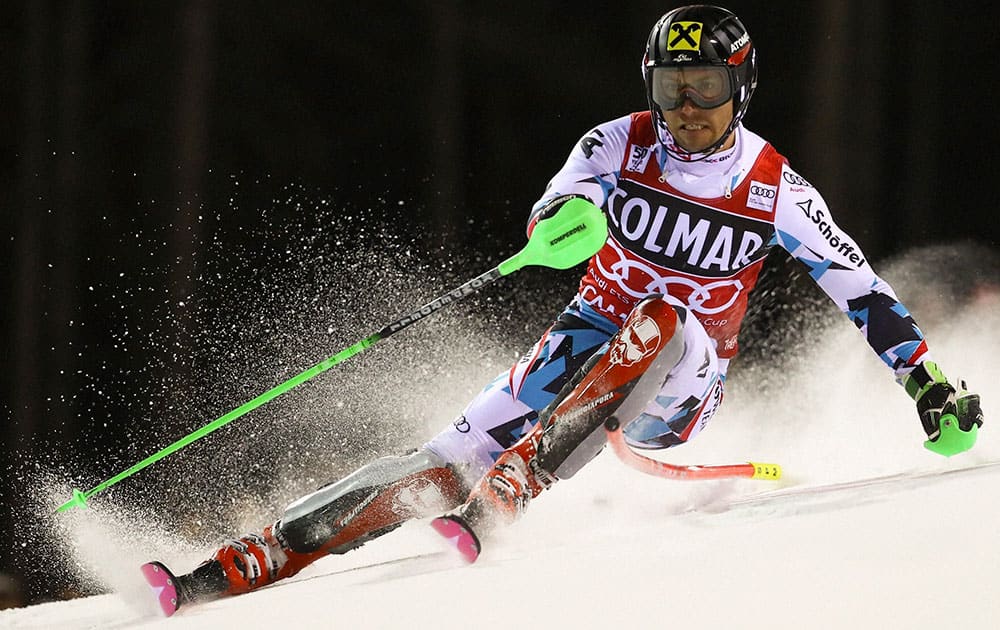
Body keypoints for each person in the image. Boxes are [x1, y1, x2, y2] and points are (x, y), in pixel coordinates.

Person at [148, 4, 984, 609]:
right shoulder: (614, 143)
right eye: (670, 87)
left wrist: (927, 384)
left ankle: (522, 478)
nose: (685, 110)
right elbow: (558, 204)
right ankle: (257, 554)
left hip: (679, 381)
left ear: (743, 88)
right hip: (575, 353)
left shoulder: (775, 189)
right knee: (447, 455)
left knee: (662, 316)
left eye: (705, 88)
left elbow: (860, 288)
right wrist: (560, 223)